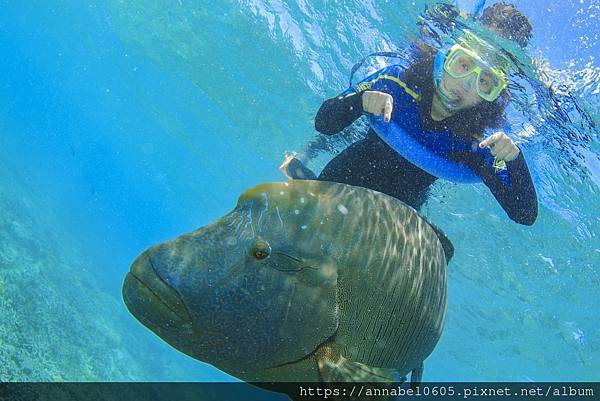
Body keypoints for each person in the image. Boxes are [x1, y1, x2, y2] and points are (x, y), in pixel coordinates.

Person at [281, 2, 538, 226]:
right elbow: (324, 123)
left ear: (493, 94)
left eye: (485, 82)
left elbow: (524, 214)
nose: (466, 85)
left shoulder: (476, 145)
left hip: (391, 224)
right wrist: (361, 101)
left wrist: (515, 158)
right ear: (446, 55)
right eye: (463, 64)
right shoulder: (395, 83)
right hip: (334, 185)